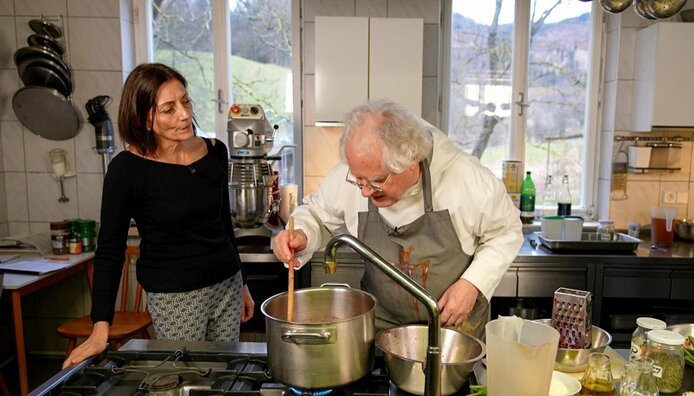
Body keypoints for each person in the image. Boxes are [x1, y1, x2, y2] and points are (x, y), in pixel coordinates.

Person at [272, 99, 522, 337]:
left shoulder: (468, 181)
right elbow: (317, 214)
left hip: (453, 330)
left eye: (378, 181)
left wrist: (473, 284)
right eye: (358, 180)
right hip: (382, 329)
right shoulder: (354, 174)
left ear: (411, 159)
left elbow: (506, 232)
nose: (366, 191)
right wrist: (302, 233)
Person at [63, 63, 255, 368]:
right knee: (185, 384)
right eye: (168, 109)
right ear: (143, 118)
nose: (184, 114)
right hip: (175, 298)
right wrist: (101, 326)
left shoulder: (215, 151)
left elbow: (223, 224)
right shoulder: (127, 169)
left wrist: (243, 284)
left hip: (226, 286)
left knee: (223, 376)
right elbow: (110, 249)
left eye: (186, 101)